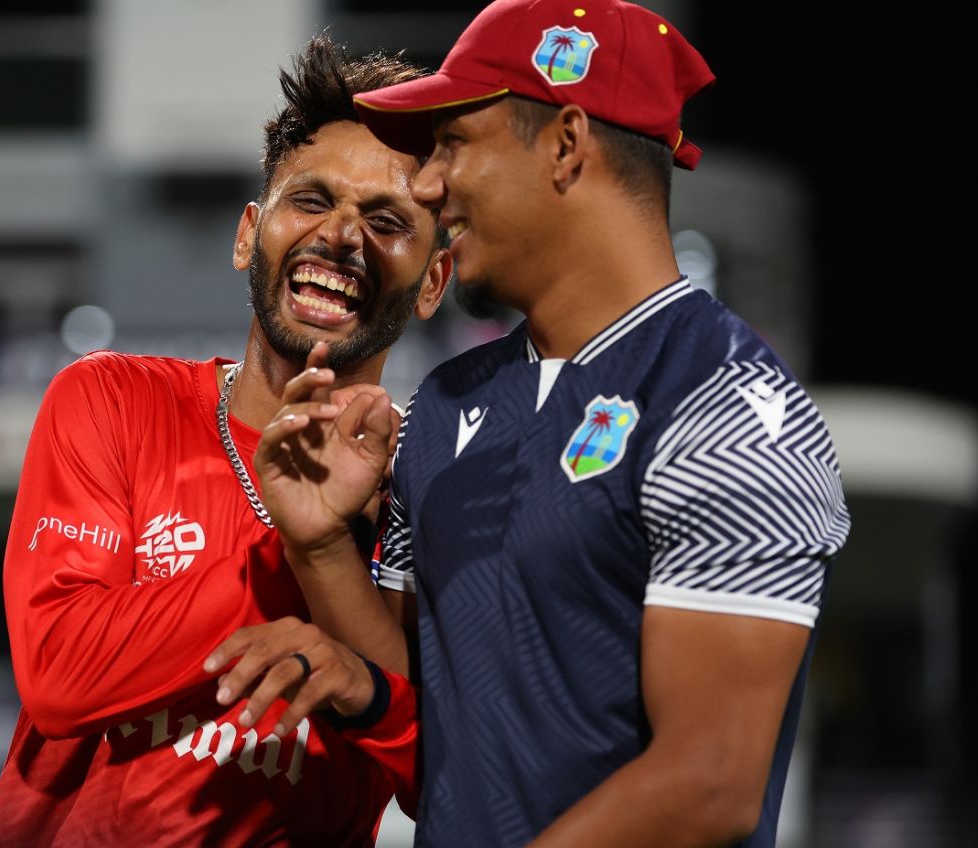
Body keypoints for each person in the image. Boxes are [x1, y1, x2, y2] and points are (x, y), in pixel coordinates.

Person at [215, 1, 852, 846]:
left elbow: (710, 783)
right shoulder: (442, 408)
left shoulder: (730, 409)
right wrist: (321, 547)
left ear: (565, 144)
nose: (430, 184)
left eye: (453, 144)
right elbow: (430, 714)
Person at [0, 36, 452, 847]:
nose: (339, 236)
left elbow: (440, 771)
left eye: (386, 220)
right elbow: (59, 673)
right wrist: (294, 551)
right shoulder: (113, 399)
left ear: (434, 282)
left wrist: (363, 682)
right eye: (311, 201)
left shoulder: (427, 491)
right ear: (247, 237)